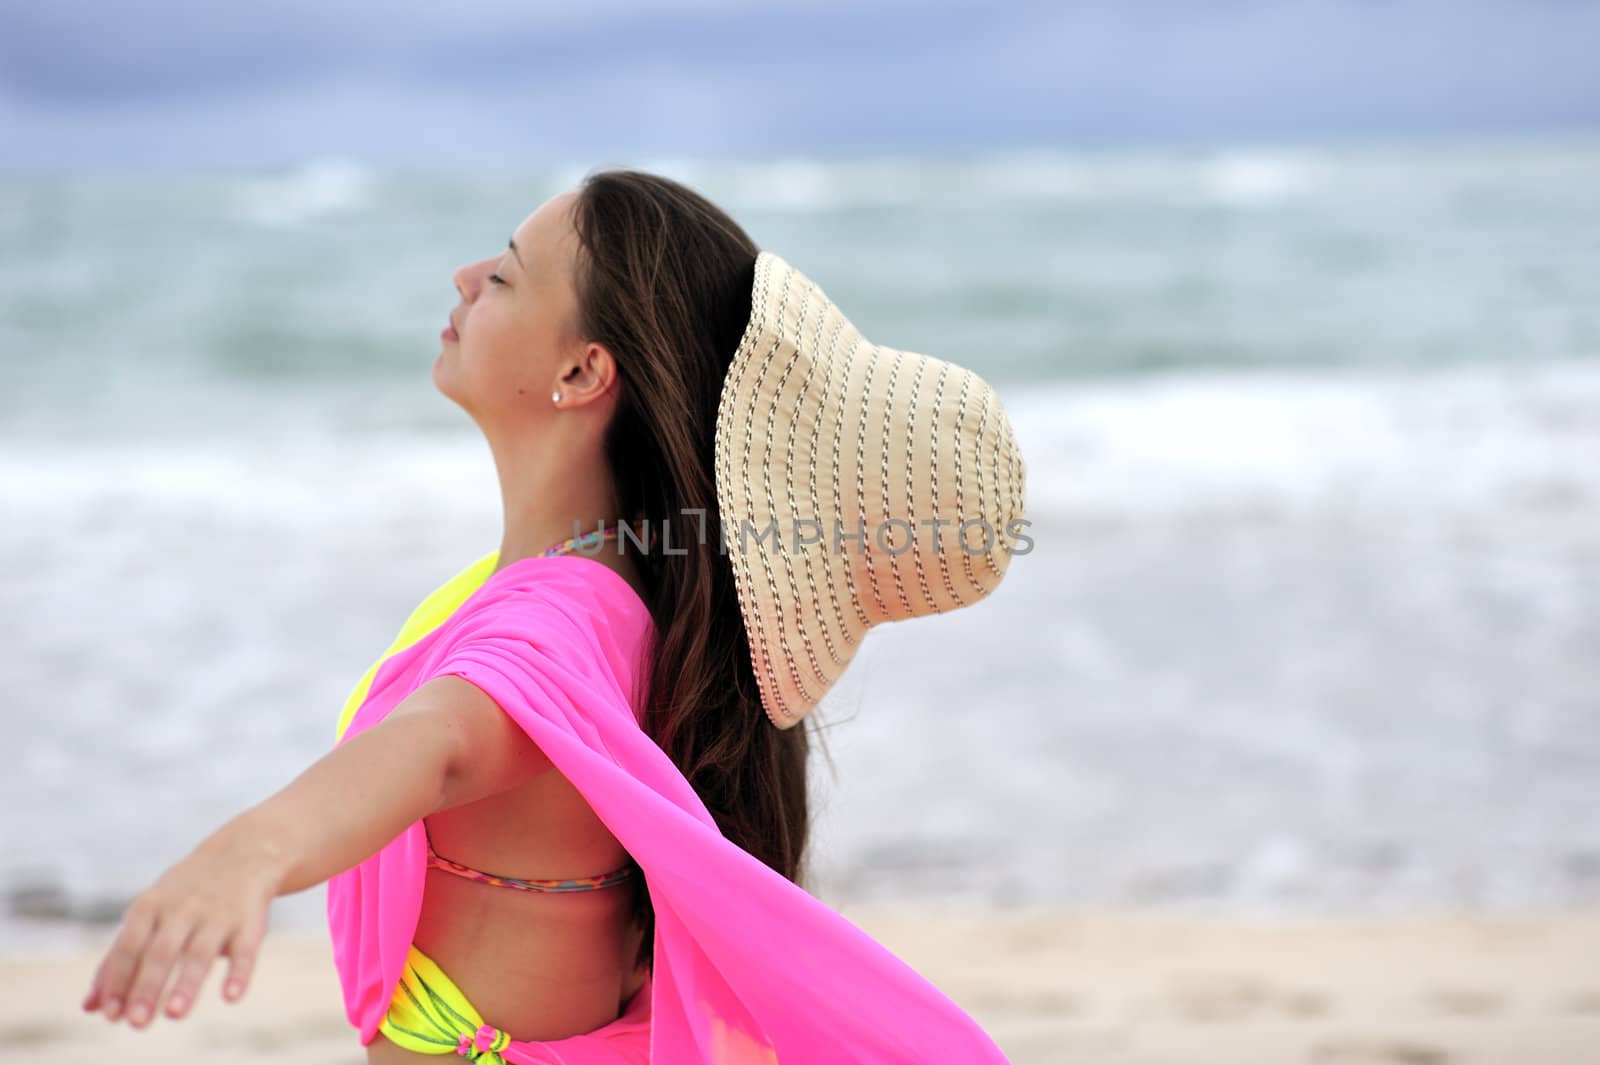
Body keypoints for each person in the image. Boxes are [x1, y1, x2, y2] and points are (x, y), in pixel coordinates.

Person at [80, 168, 1027, 1063]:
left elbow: (441, 739)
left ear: (581, 372)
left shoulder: (563, 620)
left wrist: (249, 851)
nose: (462, 277)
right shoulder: (635, 593)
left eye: (500, 274)